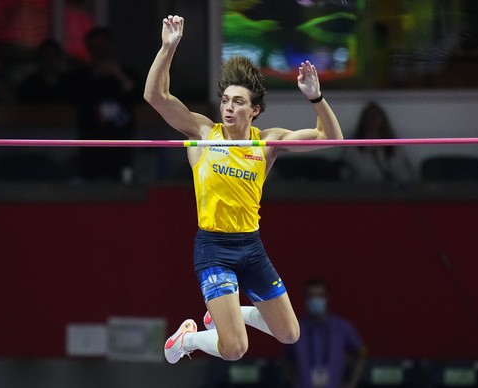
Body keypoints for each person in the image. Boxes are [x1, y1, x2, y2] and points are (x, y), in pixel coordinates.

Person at [144, 15, 344, 364]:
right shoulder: (204, 134)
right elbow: (155, 96)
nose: (228, 107)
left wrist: (316, 98)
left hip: (251, 246)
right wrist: (168, 47)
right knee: (235, 348)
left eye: (237, 102)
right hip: (214, 248)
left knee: (289, 333)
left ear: (254, 110)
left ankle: (233, 314)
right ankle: (189, 340)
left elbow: (332, 138)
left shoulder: (268, 142)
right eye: (225, 100)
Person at [68, 27, 139, 182]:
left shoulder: (126, 72)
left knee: (125, 185)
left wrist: (118, 75)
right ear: (89, 48)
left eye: (103, 47)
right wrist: (94, 76)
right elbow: (73, 99)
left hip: (121, 140)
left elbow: (138, 96)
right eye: (95, 47)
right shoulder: (81, 76)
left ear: (110, 47)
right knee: (91, 186)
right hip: (91, 140)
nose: (99, 51)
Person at [285, 278, 366, 388]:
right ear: (305, 299)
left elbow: (361, 352)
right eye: (311, 296)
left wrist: (351, 383)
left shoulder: (342, 327)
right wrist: (292, 382)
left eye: (319, 296)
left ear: (327, 298)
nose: (315, 300)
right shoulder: (296, 327)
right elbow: (287, 359)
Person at [341, 102, 414, 183]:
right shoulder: (352, 147)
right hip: (361, 192)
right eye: (369, 117)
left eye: (376, 117)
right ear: (363, 121)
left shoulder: (394, 147)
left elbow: (405, 175)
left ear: (383, 121)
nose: (372, 120)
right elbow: (345, 175)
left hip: (390, 192)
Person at [17, 39, 70, 104]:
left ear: (59, 59)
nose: (50, 60)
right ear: (40, 58)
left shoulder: (68, 85)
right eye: (46, 56)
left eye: (53, 56)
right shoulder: (30, 86)